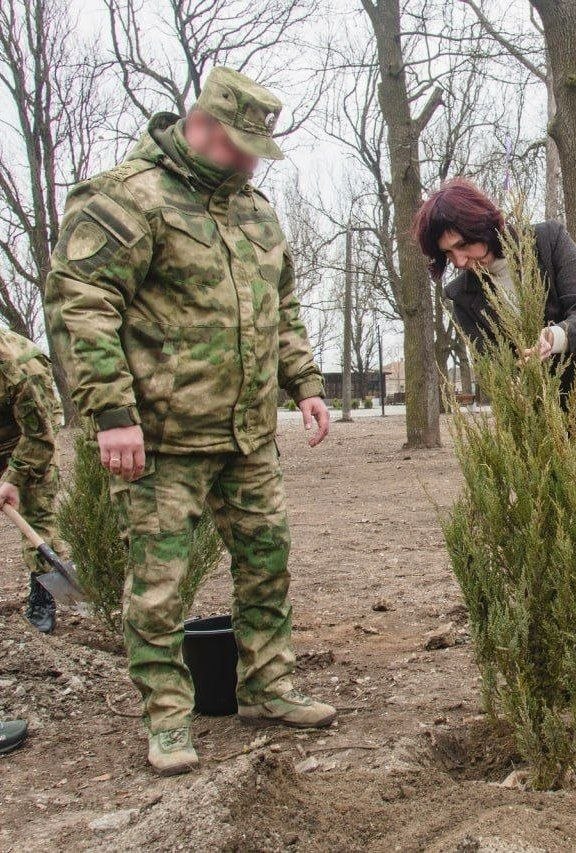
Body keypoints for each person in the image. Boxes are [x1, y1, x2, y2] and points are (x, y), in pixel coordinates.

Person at [45, 67, 336, 776]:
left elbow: (281, 309)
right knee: (158, 584)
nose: (246, 162)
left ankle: (268, 685)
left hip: (245, 434)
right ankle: (168, 721)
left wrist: (304, 383)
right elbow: (82, 304)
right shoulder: (127, 199)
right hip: (160, 439)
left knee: (268, 563)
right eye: (238, 146)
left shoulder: (256, 212)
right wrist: (111, 412)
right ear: (202, 124)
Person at [413, 179, 576, 533]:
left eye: (463, 245)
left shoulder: (548, 241)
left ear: (483, 225)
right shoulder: (461, 295)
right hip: (545, 418)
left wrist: (552, 338)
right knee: (553, 529)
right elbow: (491, 363)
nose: (460, 260)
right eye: (448, 254)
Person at [0, 329, 68, 633]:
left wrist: (13, 478)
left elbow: (40, 437)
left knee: (36, 513)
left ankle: (43, 599)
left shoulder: (22, 367)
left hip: (29, 434)